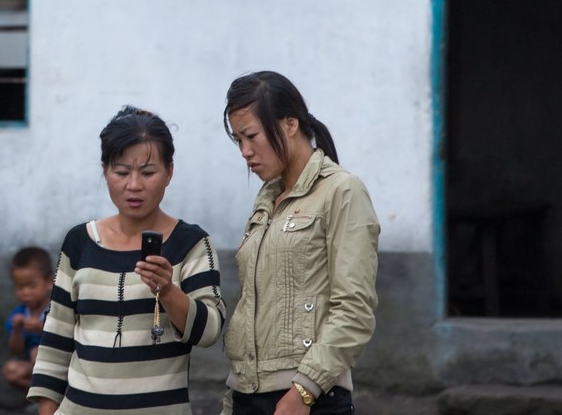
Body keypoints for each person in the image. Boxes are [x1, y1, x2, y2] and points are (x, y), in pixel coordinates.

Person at [28, 106, 226, 415]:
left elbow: (210, 332)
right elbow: (56, 337)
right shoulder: (80, 242)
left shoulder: (191, 244)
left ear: (169, 172)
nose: (134, 185)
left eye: (148, 173)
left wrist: (169, 291)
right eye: (121, 172)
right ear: (105, 170)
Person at [221, 72, 380, 415]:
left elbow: (355, 309)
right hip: (247, 394)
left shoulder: (342, 191)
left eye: (251, 136)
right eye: (238, 141)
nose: (246, 152)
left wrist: (303, 391)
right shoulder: (268, 198)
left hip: (308, 399)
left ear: (290, 125)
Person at [2, 246, 56, 391]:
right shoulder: (19, 314)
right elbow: (16, 351)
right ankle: (44, 394)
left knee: (36, 352)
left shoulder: (57, 310)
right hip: (33, 367)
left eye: (31, 286)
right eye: (20, 287)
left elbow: (66, 337)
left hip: (59, 364)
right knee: (10, 370)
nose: (26, 293)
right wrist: (17, 331)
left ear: (49, 282)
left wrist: (40, 328)